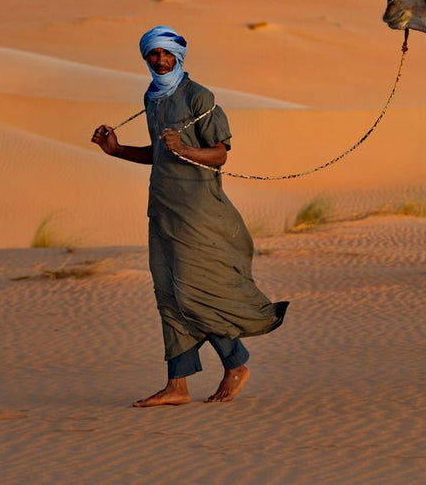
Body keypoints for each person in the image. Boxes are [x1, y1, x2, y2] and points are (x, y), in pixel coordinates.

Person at [91, 25, 288, 407]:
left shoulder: (200, 97)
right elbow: (160, 154)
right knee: (167, 293)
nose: (161, 61)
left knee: (194, 290)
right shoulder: (152, 97)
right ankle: (177, 385)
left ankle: (235, 364)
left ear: (179, 56)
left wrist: (185, 148)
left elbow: (220, 154)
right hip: (163, 208)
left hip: (199, 210)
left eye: (167, 54)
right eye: (154, 55)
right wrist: (115, 151)